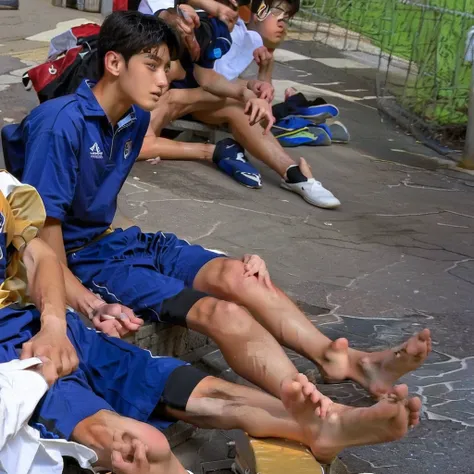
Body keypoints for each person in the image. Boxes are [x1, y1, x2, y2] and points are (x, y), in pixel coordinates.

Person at [3, 7, 427, 425]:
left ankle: (338, 359)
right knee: (223, 313)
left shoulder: (132, 118)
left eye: (167, 67)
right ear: (114, 62)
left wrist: (249, 90)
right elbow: (42, 236)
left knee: (241, 275)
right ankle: (320, 414)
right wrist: (86, 301)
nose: (163, 78)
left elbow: (190, 98)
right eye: (151, 65)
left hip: (115, 241)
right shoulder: (60, 125)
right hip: (77, 258)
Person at [0, 172, 421, 470]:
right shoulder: (63, 124)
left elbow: (42, 256)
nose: (164, 79)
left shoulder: (4, 189)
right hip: (12, 357)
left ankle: (325, 423)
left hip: (44, 326)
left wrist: (56, 324)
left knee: (174, 380)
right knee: (144, 445)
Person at [138, 0, 341, 208]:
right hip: (170, 97)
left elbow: (209, 78)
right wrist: (209, 151)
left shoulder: (221, 34)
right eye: (276, 13)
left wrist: (252, 87)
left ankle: (294, 174)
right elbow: (138, 147)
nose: (282, 23)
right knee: (178, 97)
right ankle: (222, 151)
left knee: (239, 107)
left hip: (193, 98)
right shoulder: (175, 22)